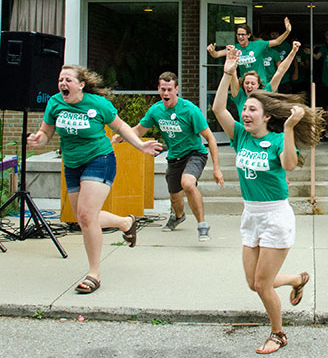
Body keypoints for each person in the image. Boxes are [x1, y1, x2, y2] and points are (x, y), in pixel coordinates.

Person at [213, 47, 325, 355]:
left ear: (266, 116)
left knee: (262, 285)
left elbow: (289, 165)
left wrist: (288, 129)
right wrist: (228, 72)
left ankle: (278, 333)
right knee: (254, 282)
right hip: (251, 215)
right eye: (245, 108)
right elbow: (219, 109)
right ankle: (297, 279)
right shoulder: (240, 136)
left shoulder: (276, 139)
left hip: (276, 217)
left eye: (252, 110)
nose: (245, 113)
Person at [27, 65, 162, 294]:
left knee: (87, 216)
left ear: (81, 84)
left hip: (100, 159)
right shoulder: (55, 103)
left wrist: (140, 145)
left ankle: (94, 274)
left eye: (68, 80)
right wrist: (39, 139)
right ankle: (125, 222)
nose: (63, 84)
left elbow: (121, 127)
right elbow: (46, 131)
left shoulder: (98, 104)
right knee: (82, 218)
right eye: (60, 79)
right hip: (71, 164)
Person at [114, 72, 224, 241]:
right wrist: (122, 135)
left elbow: (210, 138)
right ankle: (179, 216)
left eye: (169, 89)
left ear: (176, 89)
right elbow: (138, 130)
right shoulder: (155, 111)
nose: (166, 93)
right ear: (158, 89)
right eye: (163, 89)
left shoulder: (190, 110)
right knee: (175, 196)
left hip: (195, 153)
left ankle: (202, 225)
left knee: (187, 183)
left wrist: (217, 169)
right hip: (174, 157)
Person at [207, 18, 291, 87]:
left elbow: (277, 41)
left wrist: (287, 31)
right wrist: (212, 51)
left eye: (243, 34)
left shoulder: (258, 45)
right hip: (246, 85)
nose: (240, 37)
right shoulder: (234, 48)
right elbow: (217, 54)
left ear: (248, 35)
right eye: (238, 34)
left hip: (260, 83)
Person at [230, 41, 302, 116]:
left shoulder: (266, 92)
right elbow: (232, 74)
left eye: (253, 83)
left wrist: (293, 52)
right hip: (245, 127)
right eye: (247, 83)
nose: (249, 86)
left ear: (258, 85)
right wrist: (231, 60)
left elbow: (280, 71)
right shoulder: (240, 97)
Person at [313, 29, 328, 139]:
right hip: (325, 81)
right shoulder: (324, 49)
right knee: (326, 107)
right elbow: (317, 57)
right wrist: (311, 52)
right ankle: (327, 130)